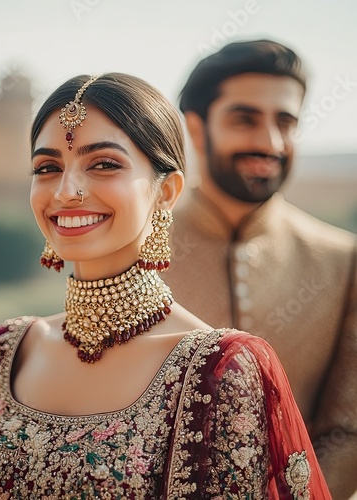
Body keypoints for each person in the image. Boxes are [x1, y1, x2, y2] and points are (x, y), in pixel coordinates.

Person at [0, 72, 330, 498]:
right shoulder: (3, 352)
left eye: (103, 164)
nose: (66, 191)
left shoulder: (219, 369)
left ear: (167, 191)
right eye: (47, 167)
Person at [165, 39, 357, 499]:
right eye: (245, 119)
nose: (270, 142)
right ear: (195, 128)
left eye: (285, 121)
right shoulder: (133, 250)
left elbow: (347, 429)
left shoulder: (344, 261)